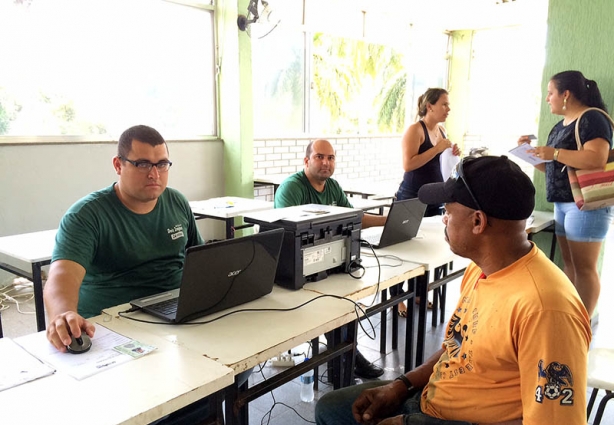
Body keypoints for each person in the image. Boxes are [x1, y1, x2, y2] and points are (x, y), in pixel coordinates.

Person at [315, 155, 591, 425]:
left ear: (477, 222)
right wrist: (402, 385)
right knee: (330, 408)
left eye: (447, 210)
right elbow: (457, 348)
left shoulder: (546, 309)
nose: (444, 219)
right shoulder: (480, 269)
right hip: (429, 400)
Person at [43, 125, 234, 424]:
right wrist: (63, 312)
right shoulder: (87, 215)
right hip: (118, 325)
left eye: (161, 164)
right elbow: (61, 276)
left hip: (177, 316)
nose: (154, 173)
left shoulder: (177, 203)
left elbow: (200, 259)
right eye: (142, 163)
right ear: (118, 165)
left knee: (234, 368)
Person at [275, 139, 386, 379]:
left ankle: (345, 355)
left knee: (348, 299)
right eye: (319, 157)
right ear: (306, 161)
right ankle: (347, 357)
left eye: (331, 158)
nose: (326, 162)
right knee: (333, 303)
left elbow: (353, 218)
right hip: (298, 268)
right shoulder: (292, 188)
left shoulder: (333, 187)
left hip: (329, 263)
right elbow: (287, 235)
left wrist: (385, 220)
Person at [519, 70, 613, 317]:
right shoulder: (559, 126)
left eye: (551, 93)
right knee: (570, 264)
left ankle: (583, 325)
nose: (548, 98)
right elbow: (551, 168)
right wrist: (528, 153)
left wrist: (555, 153)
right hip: (563, 203)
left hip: (586, 204)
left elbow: (597, 158)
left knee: (585, 268)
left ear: (566, 94)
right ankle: (570, 318)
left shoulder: (592, 118)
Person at [393, 88, 461, 317]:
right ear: (429, 106)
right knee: (405, 247)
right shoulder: (415, 130)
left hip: (434, 195)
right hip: (412, 195)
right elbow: (408, 164)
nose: (448, 109)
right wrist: (436, 149)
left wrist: (450, 152)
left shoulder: (441, 130)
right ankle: (396, 297)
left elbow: (440, 161)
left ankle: (419, 292)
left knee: (427, 246)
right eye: (444, 104)